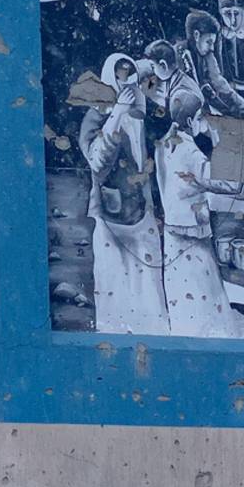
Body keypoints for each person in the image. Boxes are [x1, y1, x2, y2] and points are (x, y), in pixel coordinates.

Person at [78, 53, 170, 335]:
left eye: (129, 74)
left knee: (150, 287)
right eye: (120, 74)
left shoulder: (142, 113)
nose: (125, 81)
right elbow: (97, 161)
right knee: (116, 286)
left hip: (143, 211)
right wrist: (117, 113)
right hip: (112, 215)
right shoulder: (96, 116)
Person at [156, 91, 243, 337]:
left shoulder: (164, 143)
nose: (203, 123)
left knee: (179, 293)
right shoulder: (190, 153)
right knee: (203, 294)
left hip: (173, 228)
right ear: (192, 121)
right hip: (192, 233)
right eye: (200, 118)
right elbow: (229, 184)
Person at [181, 11, 244, 118]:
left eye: (213, 43)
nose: (212, 48)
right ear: (196, 35)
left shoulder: (207, 55)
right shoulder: (180, 56)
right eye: (209, 42)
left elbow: (221, 85)